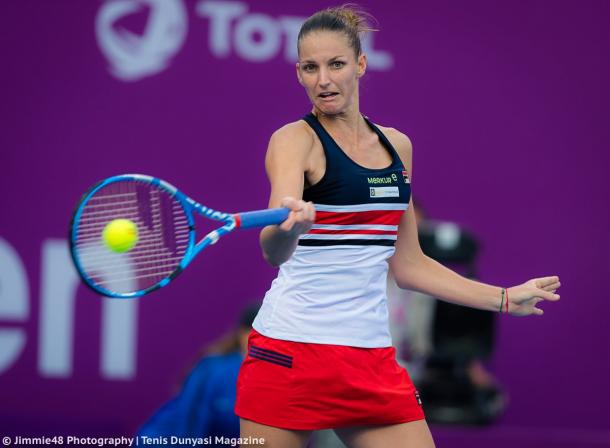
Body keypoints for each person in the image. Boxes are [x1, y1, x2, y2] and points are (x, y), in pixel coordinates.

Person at [234, 5, 561, 448]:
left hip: (370, 360)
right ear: (298, 73)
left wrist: (503, 298)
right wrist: (291, 228)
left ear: (361, 65)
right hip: (289, 353)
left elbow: (409, 266)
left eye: (336, 64)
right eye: (311, 67)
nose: (324, 79)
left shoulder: (397, 147)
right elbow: (272, 250)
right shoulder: (293, 140)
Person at [136, 305, 259, 446]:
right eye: (258, 333)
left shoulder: (268, 376)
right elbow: (191, 426)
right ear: (242, 334)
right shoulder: (213, 369)